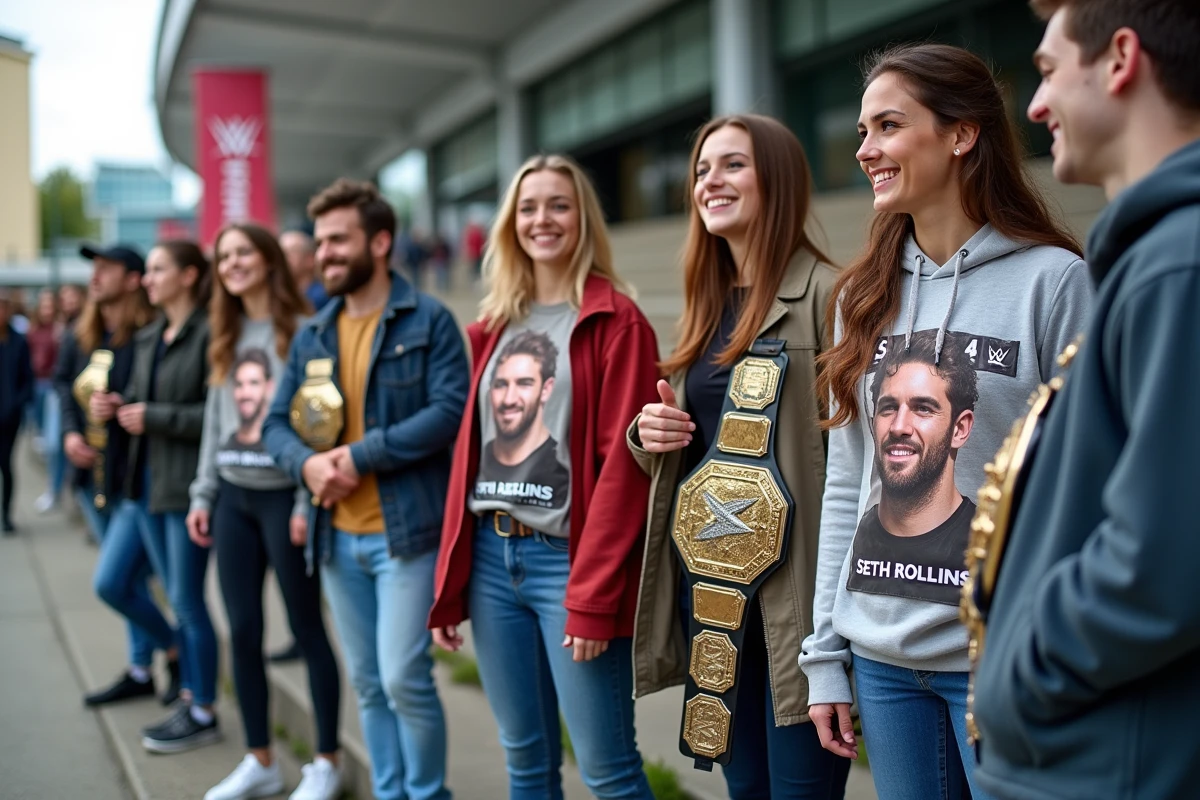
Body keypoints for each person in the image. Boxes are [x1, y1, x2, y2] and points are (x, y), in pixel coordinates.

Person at [799, 43, 1093, 800]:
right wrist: (826, 652)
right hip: (882, 664)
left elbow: (1084, 483)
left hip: (1003, 660)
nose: (865, 149)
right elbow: (847, 485)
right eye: (862, 131)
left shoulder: (1054, 282)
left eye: (888, 126)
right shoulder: (861, 297)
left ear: (961, 134)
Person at [972, 2, 1200, 798]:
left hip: (1113, 763)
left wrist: (1018, 669)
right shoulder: (1156, 258)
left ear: (1121, 59)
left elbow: (1162, 562)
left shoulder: (1179, 265)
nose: (1035, 106)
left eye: (1046, 71)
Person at [630, 115, 849, 799]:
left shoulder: (830, 294)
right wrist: (649, 435)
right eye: (701, 169)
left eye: (732, 165)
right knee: (746, 789)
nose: (710, 182)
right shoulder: (704, 307)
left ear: (776, 179)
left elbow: (852, 464)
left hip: (795, 610)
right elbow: (701, 452)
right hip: (714, 603)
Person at [429, 154, 659, 800]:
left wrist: (592, 596)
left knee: (609, 771)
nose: (543, 219)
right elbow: (469, 459)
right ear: (510, 224)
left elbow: (624, 474)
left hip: (567, 565)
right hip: (492, 562)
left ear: (583, 219)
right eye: (528, 208)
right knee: (525, 763)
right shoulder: (494, 326)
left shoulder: (618, 323)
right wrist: (451, 583)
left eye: (559, 205)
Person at [264, 179, 467, 800]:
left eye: (337, 240)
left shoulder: (428, 319)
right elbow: (275, 425)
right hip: (336, 538)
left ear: (379, 242)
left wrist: (359, 456)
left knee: (404, 678)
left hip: (405, 535)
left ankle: (426, 794)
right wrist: (306, 467)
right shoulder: (314, 333)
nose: (323, 254)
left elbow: (449, 410)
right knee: (370, 683)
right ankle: (390, 791)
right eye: (319, 241)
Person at [189, 223, 342, 800]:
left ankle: (326, 762)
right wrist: (204, 494)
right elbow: (215, 421)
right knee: (244, 630)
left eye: (243, 253)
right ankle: (261, 761)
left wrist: (306, 499)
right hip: (233, 497)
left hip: (285, 497)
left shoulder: (304, 329)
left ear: (270, 260)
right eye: (224, 256)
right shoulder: (223, 330)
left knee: (307, 628)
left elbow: (321, 423)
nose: (232, 264)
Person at [91, 241, 219, 753]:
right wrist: (118, 405)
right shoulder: (150, 337)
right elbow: (145, 403)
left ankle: (201, 707)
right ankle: (185, 680)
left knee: (187, 600)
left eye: (158, 269)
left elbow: (217, 415)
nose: (148, 279)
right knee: (116, 583)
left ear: (189, 276)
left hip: (184, 487)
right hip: (143, 484)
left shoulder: (210, 333)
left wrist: (153, 416)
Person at [61, 244, 177, 706]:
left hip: (133, 480)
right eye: (94, 268)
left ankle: (177, 652)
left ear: (133, 279)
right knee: (126, 581)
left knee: (115, 581)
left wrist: (123, 406)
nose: (96, 276)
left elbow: (150, 399)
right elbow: (63, 387)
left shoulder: (148, 334)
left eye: (106, 268)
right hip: (92, 480)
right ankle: (140, 667)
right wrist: (70, 433)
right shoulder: (82, 333)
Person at [28, 289, 66, 512]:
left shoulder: (60, 331)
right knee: (48, 442)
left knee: (54, 444)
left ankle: (56, 488)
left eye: (50, 306)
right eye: (44, 306)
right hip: (38, 384)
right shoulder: (33, 331)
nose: (47, 310)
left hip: (53, 387)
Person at [0, 289, 34, 534]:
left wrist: (17, 403)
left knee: (6, 464)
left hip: (10, 417)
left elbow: (27, 377)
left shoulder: (18, 340)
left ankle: (6, 514)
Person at [281, 230, 328, 312]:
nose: (282, 258)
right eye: (280, 252)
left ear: (310, 259)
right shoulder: (280, 296)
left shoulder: (323, 297)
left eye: (289, 252)